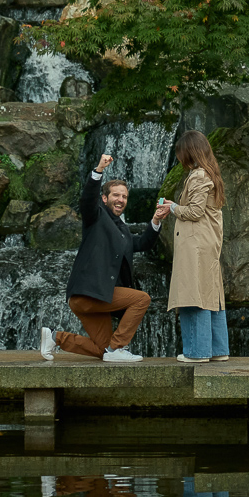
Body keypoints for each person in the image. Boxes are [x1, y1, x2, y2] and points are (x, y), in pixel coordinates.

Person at [38, 153, 169, 363]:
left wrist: (155, 221)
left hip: (98, 298)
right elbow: (87, 199)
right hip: (89, 293)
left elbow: (142, 244)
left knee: (103, 350)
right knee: (141, 299)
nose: (121, 200)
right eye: (116, 195)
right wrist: (98, 170)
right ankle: (118, 347)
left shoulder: (123, 231)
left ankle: (54, 337)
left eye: (125, 196)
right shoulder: (96, 217)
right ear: (105, 198)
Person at [161, 130, 229, 363]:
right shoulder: (211, 174)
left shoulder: (199, 176)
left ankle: (197, 352)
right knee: (210, 293)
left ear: (189, 151)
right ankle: (218, 350)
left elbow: (195, 211)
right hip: (206, 242)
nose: (179, 158)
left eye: (181, 153)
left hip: (196, 244)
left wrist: (171, 208)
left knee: (193, 294)